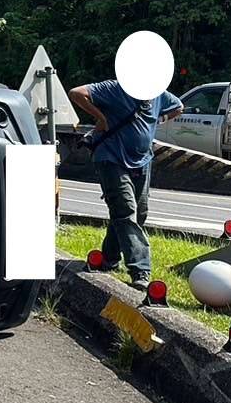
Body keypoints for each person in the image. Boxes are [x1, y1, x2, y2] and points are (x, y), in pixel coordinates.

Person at [67, 77, 183, 289]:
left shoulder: (158, 94)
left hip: (142, 161)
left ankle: (109, 258)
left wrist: (159, 118)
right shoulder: (114, 88)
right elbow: (77, 93)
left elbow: (178, 107)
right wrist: (101, 119)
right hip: (111, 159)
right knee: (125, 209)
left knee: (138, 213)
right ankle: (140, 269)